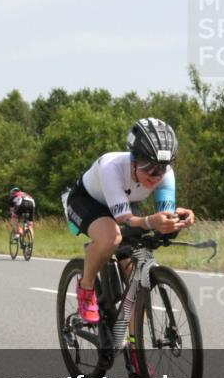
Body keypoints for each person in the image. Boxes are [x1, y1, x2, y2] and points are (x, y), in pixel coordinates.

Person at [63, 118, 195, 324]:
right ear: (133, 159)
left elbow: (163, 218)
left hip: (125, 204)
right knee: (111, 237)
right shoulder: (111, 166)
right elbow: (124, 218)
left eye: (162, 168)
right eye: (148, 166)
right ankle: (86, 287)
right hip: (88, 201)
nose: (155, 175)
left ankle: (134, 351)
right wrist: (151, 221)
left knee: (136, 279)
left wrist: (176, 219)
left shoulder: (165, 175)